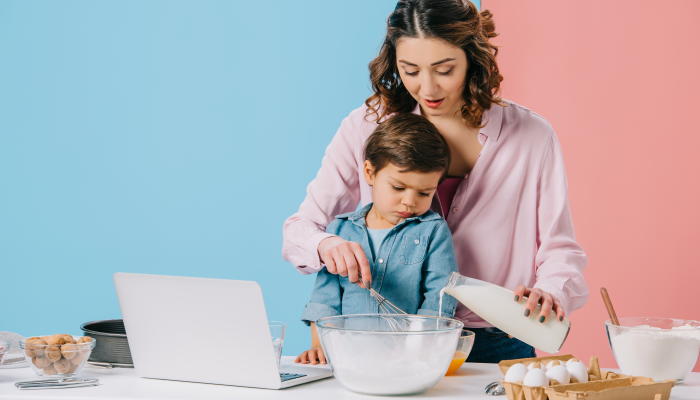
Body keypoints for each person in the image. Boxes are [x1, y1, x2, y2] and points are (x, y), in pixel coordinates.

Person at [283, 0, 589, 363]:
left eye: (444, 69)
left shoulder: (532, 136)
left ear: (473, 59)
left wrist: (551, 291)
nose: (426, 88)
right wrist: (326, 245)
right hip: (385, 339)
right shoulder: (366, 128)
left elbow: (559, 249)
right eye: (409, 69)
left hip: (497, 339)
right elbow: (300, 228)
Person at [295, 113, 459, 365]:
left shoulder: (433, 231)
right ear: (370, 173)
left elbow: (439, 297)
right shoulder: (340, 230)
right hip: (347, 359)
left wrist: (420, 350)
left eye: (424, 192)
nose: (409, 201)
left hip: (406, 361)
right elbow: (324, 299)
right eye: (398, 187)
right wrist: (318, 346)